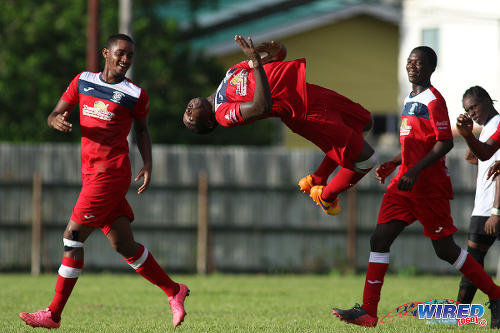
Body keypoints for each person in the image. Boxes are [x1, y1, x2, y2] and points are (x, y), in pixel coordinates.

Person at [19, 34, 189, 329]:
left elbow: (143, 131)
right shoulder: (83, 81)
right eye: (121, 53)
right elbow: (56, 112)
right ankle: (175, 291)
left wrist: (148, 162)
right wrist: (55, 119)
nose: (125, 60)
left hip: (111, 174)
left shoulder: (135, 94)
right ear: (106, 54)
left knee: (72, 237)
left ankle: (53, 314)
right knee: (124, 245)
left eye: (130, 56)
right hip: (89, 174)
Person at [330, 46, 500, 328]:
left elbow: (444, 142)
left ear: (430, 68)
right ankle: (368, 311)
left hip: (427, 186)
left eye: (418, 63)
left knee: (445, 250)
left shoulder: (434, 100)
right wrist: (396, 162)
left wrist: (417, 170)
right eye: (409, 62)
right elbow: (416, 143)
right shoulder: (409, 98)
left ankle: (495, 294)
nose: (412, 67)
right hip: (403, 183)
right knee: (379, 239)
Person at [183, 35, 377, 216]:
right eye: (190, 118)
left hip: (308, 92)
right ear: (208, 124)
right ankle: (327, 196)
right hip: (304, 112)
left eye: (186, 111)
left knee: (365, 123)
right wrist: (257, 63)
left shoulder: (228, 75)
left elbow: (274, 59)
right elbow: (261, 106)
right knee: (367, 159)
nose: (188, 111)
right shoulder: (222, 114)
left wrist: (276, 50)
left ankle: (317, 179)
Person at [455, 86, 500, 304]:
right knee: (473, 263)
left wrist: (496, 211)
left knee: (472, 263)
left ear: (488, 101)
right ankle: (463, 311)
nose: (472, 112)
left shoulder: (498, 124)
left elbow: (488, 156)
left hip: (492, 207)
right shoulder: (487, 127)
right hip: (484, 206)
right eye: (467, 109)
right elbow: (478, 156)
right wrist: (472, 139)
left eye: (474, 106)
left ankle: (460, 311)